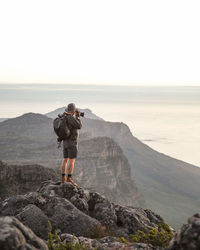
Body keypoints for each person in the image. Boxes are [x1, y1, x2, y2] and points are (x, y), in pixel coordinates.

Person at [61, 103, 82, 186]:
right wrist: (78, 117)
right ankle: (69, 178)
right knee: (72, 160)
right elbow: (79, 126)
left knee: (65, 159)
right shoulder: (70, 118)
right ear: (73, 111)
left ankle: (63, 178)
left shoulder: (64, 117)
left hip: (65, 141)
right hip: (72, 142)